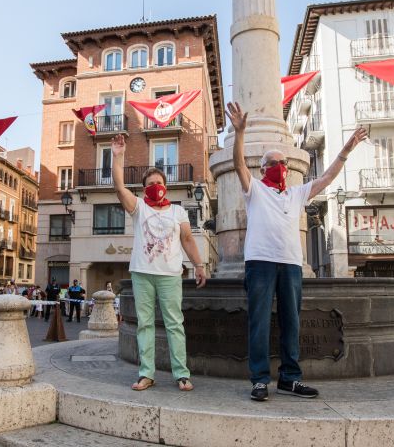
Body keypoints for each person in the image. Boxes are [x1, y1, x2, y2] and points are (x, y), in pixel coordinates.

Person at [226, 101, 367, 401]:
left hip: (290, 264)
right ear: (264, 168)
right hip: (260, 263)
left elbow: (327, 178)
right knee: (259, 322)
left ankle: (290, 379)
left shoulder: (296, 193)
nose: (283, 167)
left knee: (292, 322)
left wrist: (346, 150)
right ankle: (260, 380)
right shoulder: (255, 189)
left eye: (285, 164)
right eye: (276, 163)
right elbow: (238, 164)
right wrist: (240, 133)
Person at [111, 133, 207, 392]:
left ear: (166, 185)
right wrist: (117, 156)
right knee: (145, 324)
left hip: (170, 275)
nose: (156, 185)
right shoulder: (139, 207)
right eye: (151, 183)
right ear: (145, 189)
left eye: (159, 182)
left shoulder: (178, 211)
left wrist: (199, 265)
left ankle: (181, 374)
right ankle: (147, 374)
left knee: (174, 323)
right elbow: (119, 187)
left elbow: (187, 238)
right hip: (142, 272)